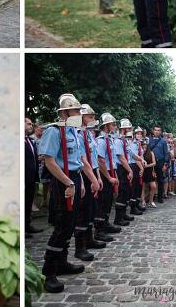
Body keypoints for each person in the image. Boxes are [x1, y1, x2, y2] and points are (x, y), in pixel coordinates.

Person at [37, 94, 85, 293]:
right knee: (62, 225)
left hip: (73, 177)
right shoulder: (54, 131)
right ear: (65, 113)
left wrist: (78, 181)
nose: (79, 115)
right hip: (61, 181)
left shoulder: (73, 131)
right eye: (76, 111)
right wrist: (68, 182)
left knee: (70, 224)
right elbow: (49, 161)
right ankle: (49, 272)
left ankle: (62, 262)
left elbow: (77, 160)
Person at [72, 104, 105, 261]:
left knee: (91, 209)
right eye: (90, 117)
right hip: (84, 174)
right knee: (83, 211)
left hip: (92, 172)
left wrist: (97, 176)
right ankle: (80, 247)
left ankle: (89, 239)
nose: (93, 120)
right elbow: (82, 161)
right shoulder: (77, 134)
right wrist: (91, 179)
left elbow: (94, 159)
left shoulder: (89, 135)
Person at [95, 113, 121, 239]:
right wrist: (109, 177)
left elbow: (112, 160)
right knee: (103, 201)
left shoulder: (109, 139)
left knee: (109, 200)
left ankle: (105, 223)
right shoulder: (101, 141)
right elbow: (100, 160)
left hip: (111, 172)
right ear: (106, 125)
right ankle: (99, 229)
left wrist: (114, 174)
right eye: (113, 124)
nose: (115, 127)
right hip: (104, 174)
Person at [24, 118, 42, 235]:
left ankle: (27, 224)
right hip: (24, 177)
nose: (31, 126)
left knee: (29, 201)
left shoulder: (30, 140)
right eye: (29, 124)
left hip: (31, 177)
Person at [147, 126, 169, 202]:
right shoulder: (149, 140)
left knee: (160, 180)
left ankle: (160, 197)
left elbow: (166, 153)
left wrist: (165, 164)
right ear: (153, 131)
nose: (156, 131)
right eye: (155, 130)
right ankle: (151, 197)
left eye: (158, 130)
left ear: (160, 132)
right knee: (151, 180)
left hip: (160, 162)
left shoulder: (163, 141)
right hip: (151, 162)